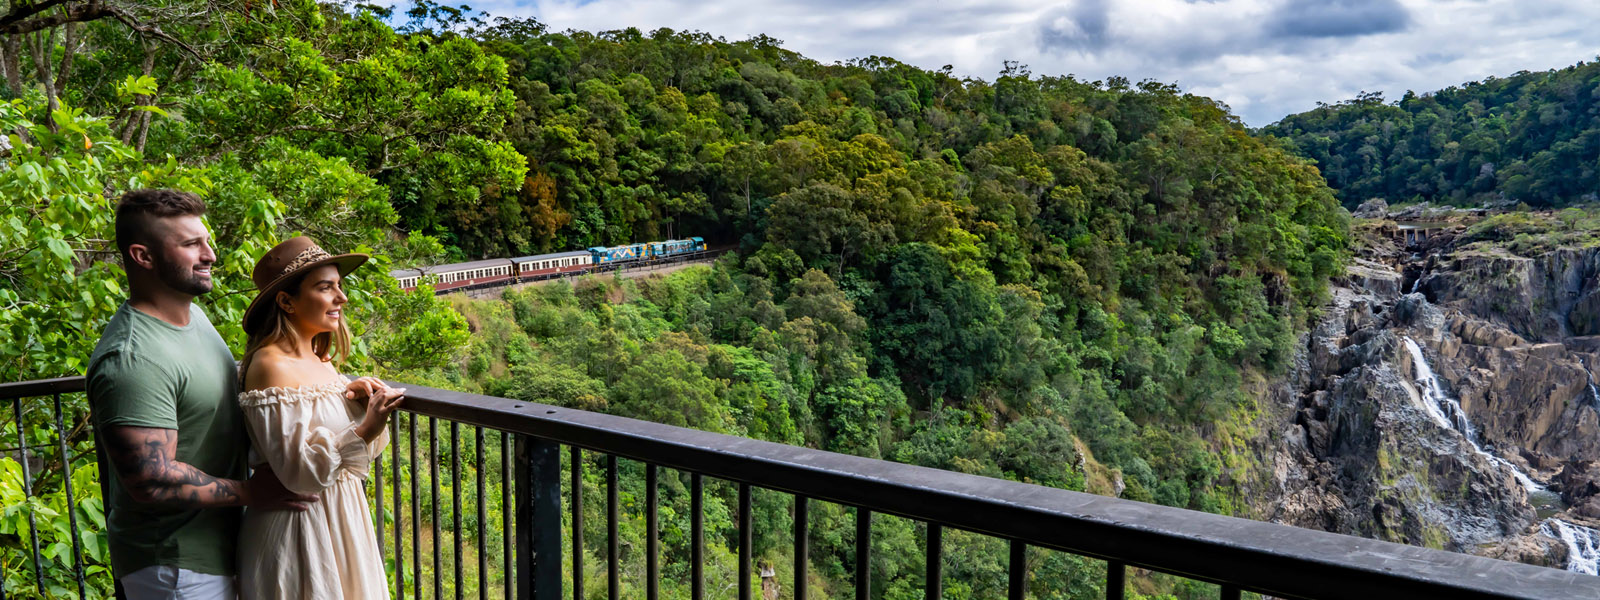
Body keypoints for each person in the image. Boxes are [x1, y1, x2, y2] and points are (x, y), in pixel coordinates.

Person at [87, 189, 319, 599]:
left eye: (206, 240)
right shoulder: (133, 358)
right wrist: (255, 492)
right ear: (144, 257)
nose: (209, 254)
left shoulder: (193, 317)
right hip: (176, 568)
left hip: (221, 549)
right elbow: (150, 480)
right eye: (192, 244)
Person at [234, 235, 405, 599]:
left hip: (342, 521)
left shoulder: (321, 362)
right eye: (326, 288)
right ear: (286, 302)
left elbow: (355, 458)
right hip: (301, 528)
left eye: (339, 287)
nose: (341, 298)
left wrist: (360, 406)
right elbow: (297, 474)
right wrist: (361, 431)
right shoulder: (270, 365)